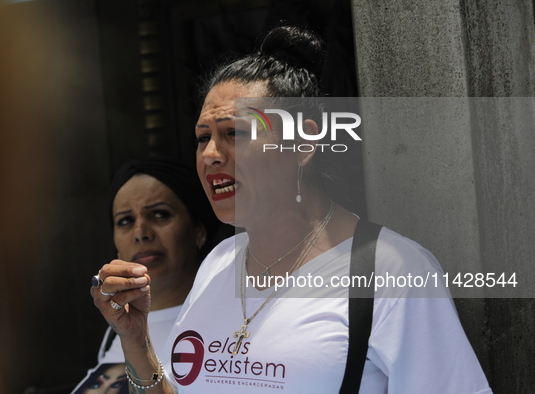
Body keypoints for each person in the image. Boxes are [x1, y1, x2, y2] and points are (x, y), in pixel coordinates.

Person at [90, 26, 492, 393]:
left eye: (235, 133)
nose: (211, 155)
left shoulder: (392, 271)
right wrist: (136, 340)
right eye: (202, 138)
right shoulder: (217, 264)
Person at [78, 157, 217, 393]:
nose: (141, 233)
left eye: (160, 214)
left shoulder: (223, 327)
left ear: (199, 230)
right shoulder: (117, 327)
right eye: (126, 221)